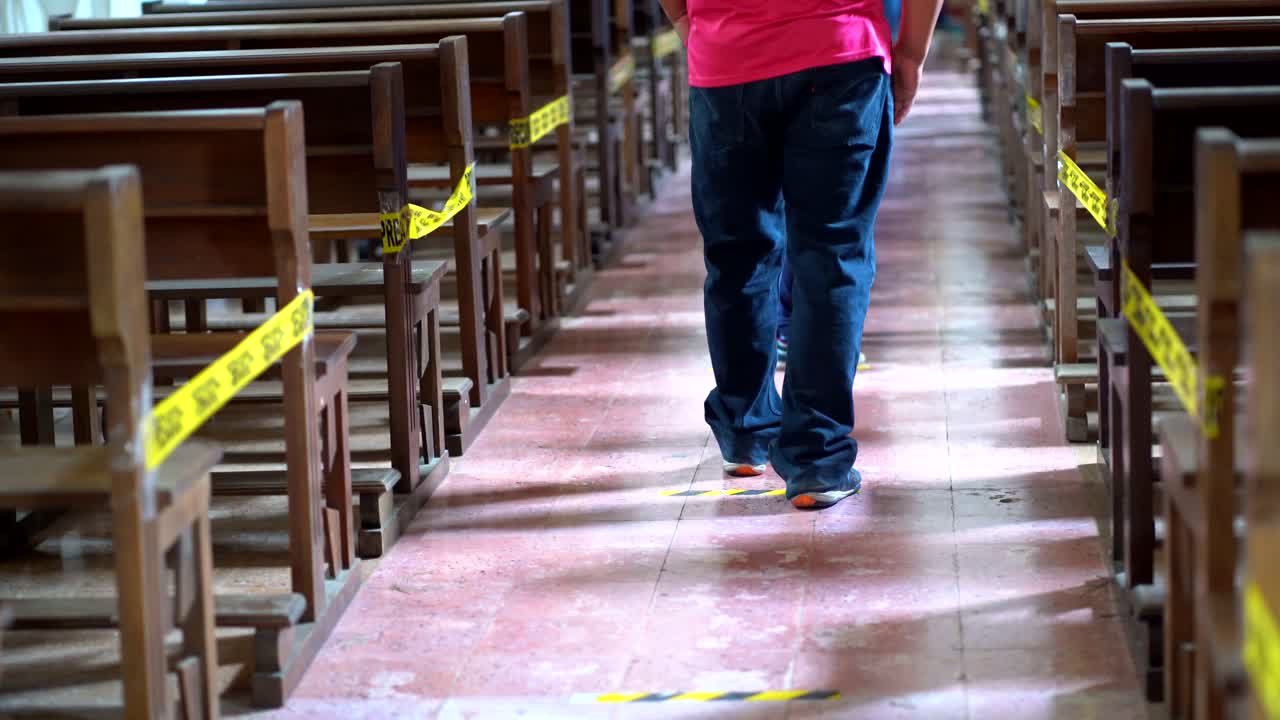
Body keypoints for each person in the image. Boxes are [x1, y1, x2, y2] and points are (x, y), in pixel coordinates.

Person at [662, 0, 944, 509]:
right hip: (840, 54)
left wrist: (687, 22)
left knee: (736, 255)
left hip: (727, 61)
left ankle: (744, 433)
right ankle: (817, 459)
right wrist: (912, 54)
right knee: (831, 257)